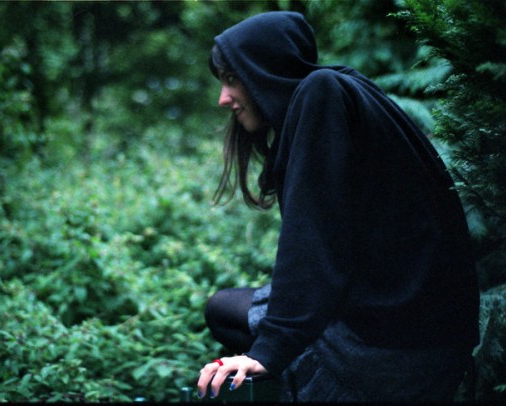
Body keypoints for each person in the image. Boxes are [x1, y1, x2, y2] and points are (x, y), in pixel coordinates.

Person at [196, 11, 480, 402]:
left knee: (229, 316)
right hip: (421, 327)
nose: (223, 99)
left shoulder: (323, 93)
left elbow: (314, 238)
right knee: (223, 310)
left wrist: (268, 352)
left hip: (396, 344)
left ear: (263, 69)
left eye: (232, 79)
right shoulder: (343, 87)